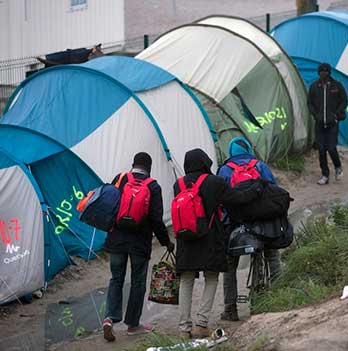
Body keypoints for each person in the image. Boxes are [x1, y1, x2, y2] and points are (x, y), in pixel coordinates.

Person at [175, 149, 262, 339]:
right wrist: (256, 189)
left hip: (185, 239)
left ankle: (184, 328)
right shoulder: (214, 182)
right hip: (209, 237)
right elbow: (236, 199)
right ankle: (201, 324)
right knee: (211, 277)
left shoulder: (178, 184)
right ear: (205, 162)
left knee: (186, 279)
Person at [102, 152, 175, 342]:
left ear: (133, 164)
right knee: (138, 282)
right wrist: (166, 242)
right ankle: (133, 325)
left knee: (116, 278)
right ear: (149, 168)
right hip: (139, 243)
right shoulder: (153, 186)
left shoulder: (121, 178)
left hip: (117, 239)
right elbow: (156, 220)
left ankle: (109, 318)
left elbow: (109, 205)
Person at [217, 137, 282, 321]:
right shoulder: (260, 166)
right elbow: (274, 190)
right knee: (272, 257)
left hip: (236, 225)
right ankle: (281, 296)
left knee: (230, 266)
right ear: (247, 149)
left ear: (231, 151)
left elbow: (221, 201)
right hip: (263, 223)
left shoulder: (224, 170)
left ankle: (230, 308)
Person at [307, 63, 348, 185]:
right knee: (321, 150)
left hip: (332, 123)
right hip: (319, 123)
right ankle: (325, 174)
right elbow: (310, 103)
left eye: (326, 71)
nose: (323, 73)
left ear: (329, 72)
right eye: (321, 71)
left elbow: (344, 101)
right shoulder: (314, 86)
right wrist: (315, 115)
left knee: (331, 148)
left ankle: (338, 167)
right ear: (318, 73)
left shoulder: (337, 86)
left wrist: (336, 114)